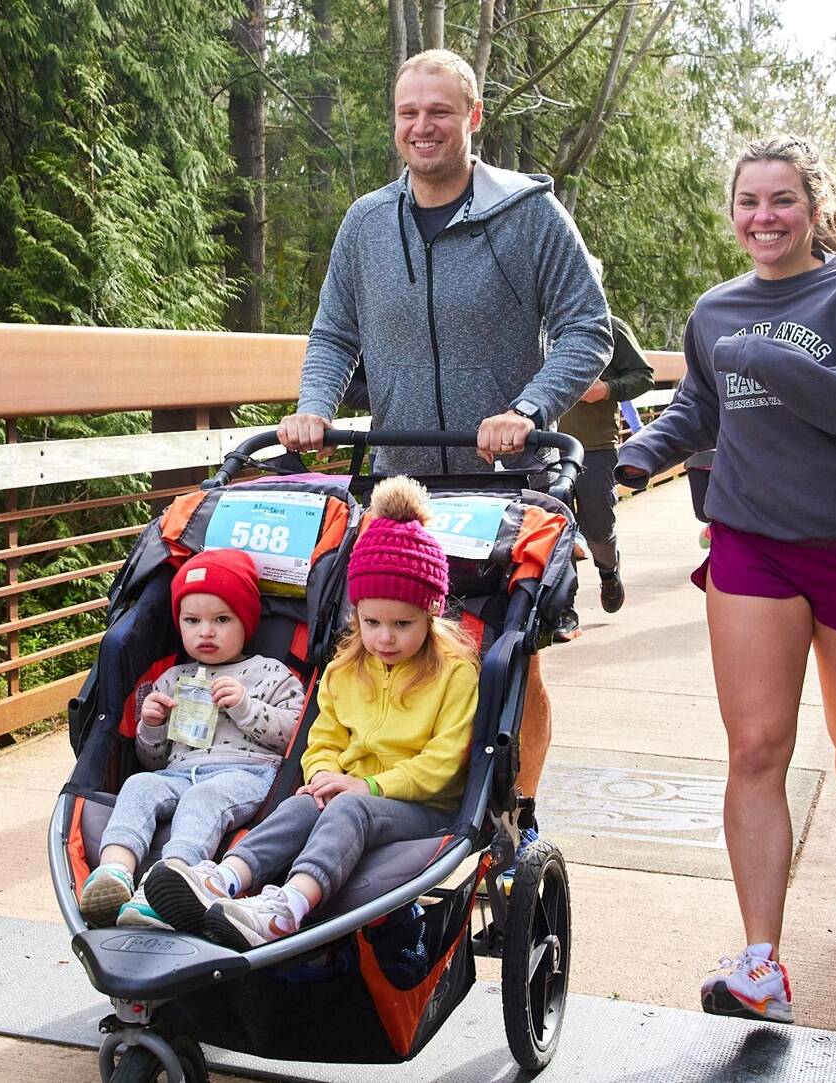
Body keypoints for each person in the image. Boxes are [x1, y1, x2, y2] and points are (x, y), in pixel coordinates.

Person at [615, 135, 836, 1025]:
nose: (763, 217)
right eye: (748, 202)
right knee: (757, 748)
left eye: (781, 200)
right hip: (753, 542)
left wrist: (784, 365)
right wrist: (636, 458)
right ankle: (762, 961)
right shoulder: (716, 310)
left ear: (815, 207)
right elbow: (698, 409)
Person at [276, 47, 611, 853]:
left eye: (439, 111)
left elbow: (587, 330)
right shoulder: (365, 223)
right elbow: (333, 334)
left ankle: (514, 810)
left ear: (474, 118)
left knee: (509, 655)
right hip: (402, 484)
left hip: (503, 483)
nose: (421, 126)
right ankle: (385, 792)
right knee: (381, 645)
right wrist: (313, 407)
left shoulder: (528, 216)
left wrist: (528, 408)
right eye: (407, 113)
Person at [142, 477, 479, 948]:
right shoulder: (347, 667)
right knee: (300, 805)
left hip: (422, 804)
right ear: (356, 615)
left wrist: (368, 786)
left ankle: (287, 907)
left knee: (349, 808)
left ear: (431, 614)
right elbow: (323, 737)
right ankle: (224, 879)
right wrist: (322, 773)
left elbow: (445, 761)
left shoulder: (454, 673)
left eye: (403, 624)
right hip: (350, 788)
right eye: (372, 623)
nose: (384, 638)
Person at [78, 549, 305, 928]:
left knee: (203, 799)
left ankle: (171, 879)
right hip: (178, 772)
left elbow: (293, 738)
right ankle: (114, 870)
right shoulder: (171, 678)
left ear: (246, 622)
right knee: (138, 784)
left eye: (221, 619)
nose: (206, 631)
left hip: (245, 774)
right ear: (179, 624)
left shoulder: (270, 672)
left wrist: (248, 707)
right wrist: (150, 725)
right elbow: (153, 760)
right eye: (192, 620)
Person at [558, 295, 656, 617]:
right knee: (553, 528)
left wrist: (607, 390)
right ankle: (562, 608)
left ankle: (608, 572)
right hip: (545, 445)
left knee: (598, 525)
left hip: (595, 445)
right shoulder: (541, 327)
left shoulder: (609, 327)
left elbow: (644, 375)